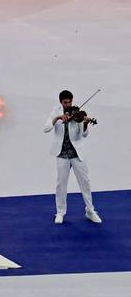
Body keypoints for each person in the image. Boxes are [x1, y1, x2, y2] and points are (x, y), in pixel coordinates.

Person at [46, 91, 102, 224]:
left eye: (70, 102)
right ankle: (60, 212)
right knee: (61, 184)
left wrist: (85, 123)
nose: (68, 105)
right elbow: (46, 128)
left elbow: (83, 135)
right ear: (61, 102)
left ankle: (90, 211)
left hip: (77, 154)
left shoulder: (77, 113)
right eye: (65, 102)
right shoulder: (55, 111)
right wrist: (57, 118)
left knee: (85, 182)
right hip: (62, 154)